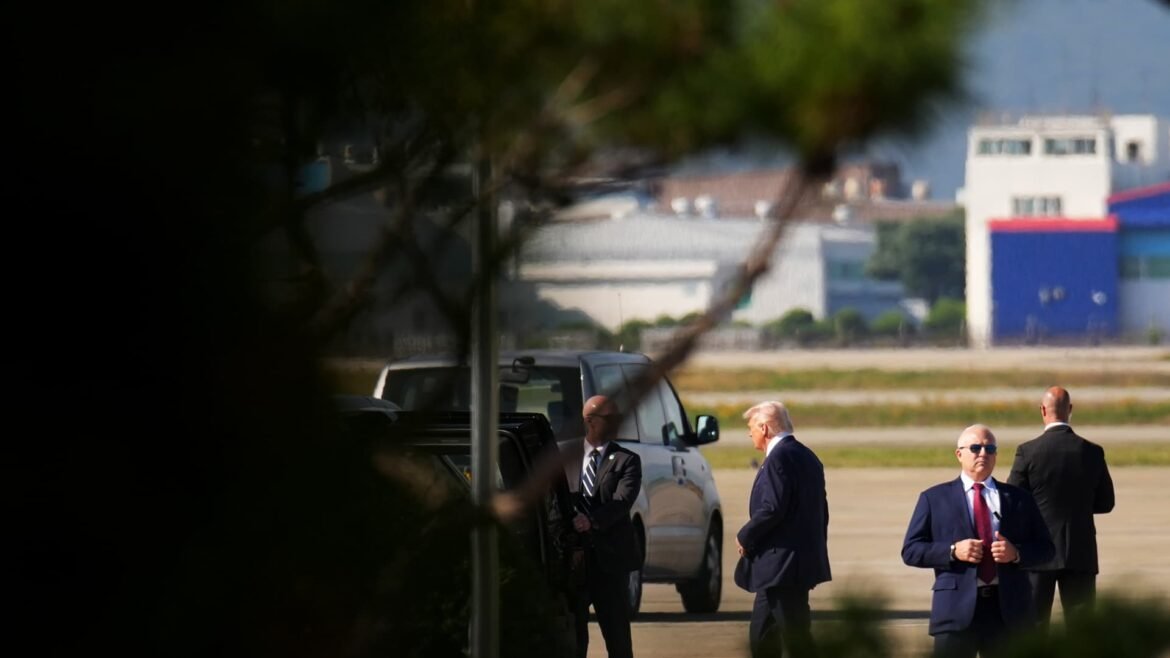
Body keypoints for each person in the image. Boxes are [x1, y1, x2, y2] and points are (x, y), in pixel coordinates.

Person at [902, 424, 1055, 658]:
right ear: (959, 454)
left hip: (1008, 613)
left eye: (990, 448)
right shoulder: (934, 498)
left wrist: (1016, 554)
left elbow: (1047, 549)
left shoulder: (1019, 499)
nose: (983, 453)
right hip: (955, 611)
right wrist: (953, 551)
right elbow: (911, 550)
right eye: (975, 448)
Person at [1007, 386, 1115, 628]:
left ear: (1043, 410)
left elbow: (1012, 500)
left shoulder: (1028, 452)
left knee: (1034, 627)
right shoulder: (1092, 452)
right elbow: (1106, 503)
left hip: (1037, 551)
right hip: (1080, 551)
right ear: (1071, 410)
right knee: (1082, 631)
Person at [733, 401, 831, 658]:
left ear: (764, 428)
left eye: (751, 427)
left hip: (783, 566)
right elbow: (822, 511)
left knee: (796, 638)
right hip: (792, 565)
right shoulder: (806, 455)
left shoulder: (779, 459)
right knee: (762, 637)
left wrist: (746, 534)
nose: (749, 433)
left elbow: (773, 508)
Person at [569, 395, 642, 658]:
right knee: (574, 639)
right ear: (589, 420)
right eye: (610, 419)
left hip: (610, 562)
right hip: (575, 562)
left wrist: (591, 520)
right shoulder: (566, 456)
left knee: (617, 638)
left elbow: (622, 501)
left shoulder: (626, 460)